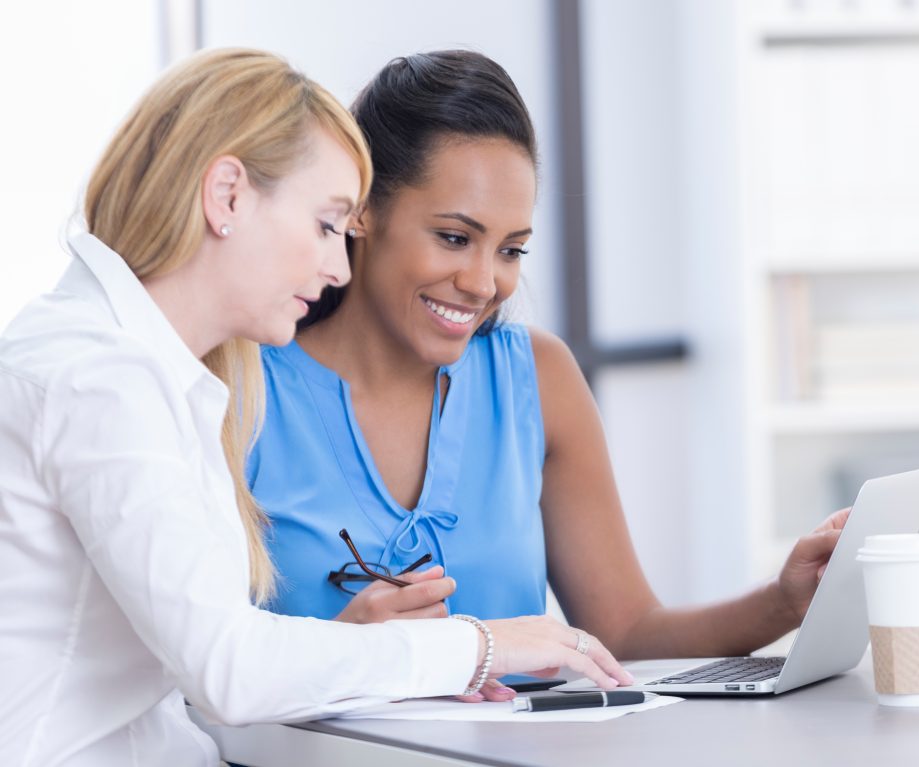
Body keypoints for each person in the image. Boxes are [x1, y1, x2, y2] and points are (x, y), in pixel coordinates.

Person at [0, 48, 630, 767]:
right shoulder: (99, 378)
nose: (337, 266)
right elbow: (227, 667)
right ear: (228, 195)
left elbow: (194, 677)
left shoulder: (159, 372)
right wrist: (479, 646)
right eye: (329, 225)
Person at [250, 49, 848, 668]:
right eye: (454, 238)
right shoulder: (243, 387)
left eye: (511, 250)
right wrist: (347, 656)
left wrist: (784, 601)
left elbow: (627, 632)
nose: (484, 283)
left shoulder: (537, 377)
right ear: (362, 210)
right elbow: (195, 673)